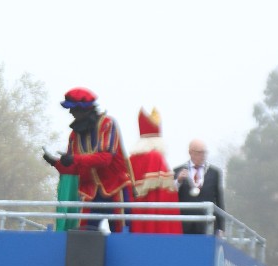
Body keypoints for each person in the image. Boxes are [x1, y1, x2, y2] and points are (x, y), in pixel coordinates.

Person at [43, 88, 133, 231]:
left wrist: (74, 158)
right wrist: (55, 162)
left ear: (84, 109)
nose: (70, 113)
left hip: (116, 188)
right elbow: (74, 169)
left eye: (73, 109)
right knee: (83, 235)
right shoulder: (74, 135)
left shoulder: (107, 124)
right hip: (90, 193)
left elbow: (105, 158)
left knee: (122, 234)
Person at [128, 108, 182, 234]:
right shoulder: (155, 157)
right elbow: (166, 194)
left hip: (135, 216)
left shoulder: (130, 159)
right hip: (155, 222)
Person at [174, 139, 225, 235]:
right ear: (190, 152)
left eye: (204, 153)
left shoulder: (214, 173)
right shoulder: (178, 171)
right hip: (184, 226)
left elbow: (219, 200)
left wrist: (221, 227)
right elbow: (171, 195)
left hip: (207, 226)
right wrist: (178, 181)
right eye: (199, 153)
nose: (203, 156)